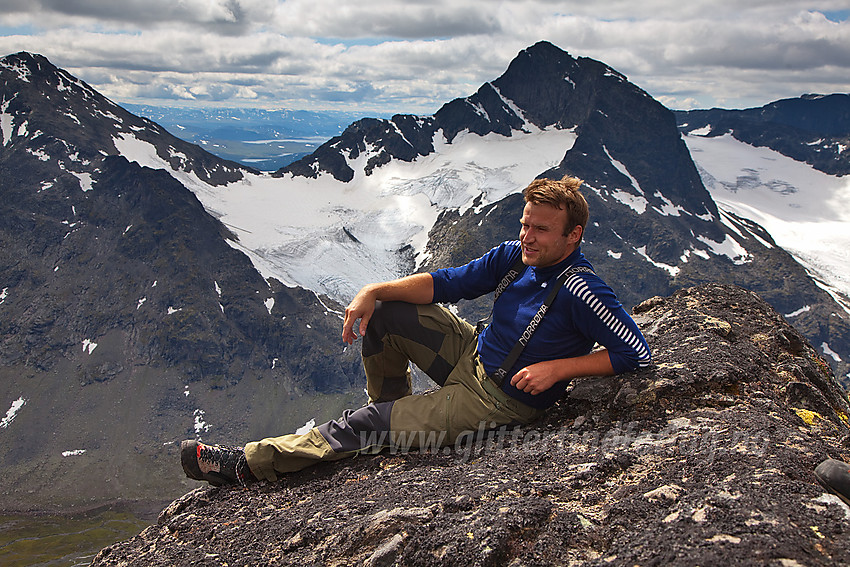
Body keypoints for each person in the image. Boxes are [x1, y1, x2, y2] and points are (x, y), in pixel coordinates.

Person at [181, 175, 652, 487]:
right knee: (386, 316)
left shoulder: (581, 289)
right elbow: (447, 283)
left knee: (363, 426)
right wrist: (374, 290)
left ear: (574, 236)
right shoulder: (515, 257)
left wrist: (559, 369)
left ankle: (248, 464)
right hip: (473, 354)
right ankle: (390, 414)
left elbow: (636, 351)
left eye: (542, 230)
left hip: (498, 401)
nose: (528, 236)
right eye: (526, 223)